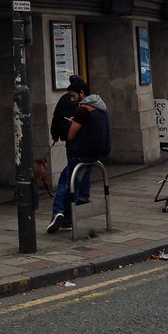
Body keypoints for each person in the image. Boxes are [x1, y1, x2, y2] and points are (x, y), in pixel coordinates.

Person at [47, 76, 111, 234]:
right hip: (96, 154)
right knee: (74, 184)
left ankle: (59, 212)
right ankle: (68, 221)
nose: (72, 99)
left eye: (74, 96)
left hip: (80, 152)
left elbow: (70, 135)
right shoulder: (100, 106)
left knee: (65, 182)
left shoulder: (83, 109)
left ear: (82, 93)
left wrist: (71, 123)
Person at [50, 74, 91, 204]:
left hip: (70, 139)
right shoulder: (86, 102)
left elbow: (56, 118)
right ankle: (82, 195)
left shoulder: (63, 100)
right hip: (82, 140)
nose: (72, 99)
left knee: (73, 169)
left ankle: (73, 196)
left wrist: (55, 134)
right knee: (84, 169)